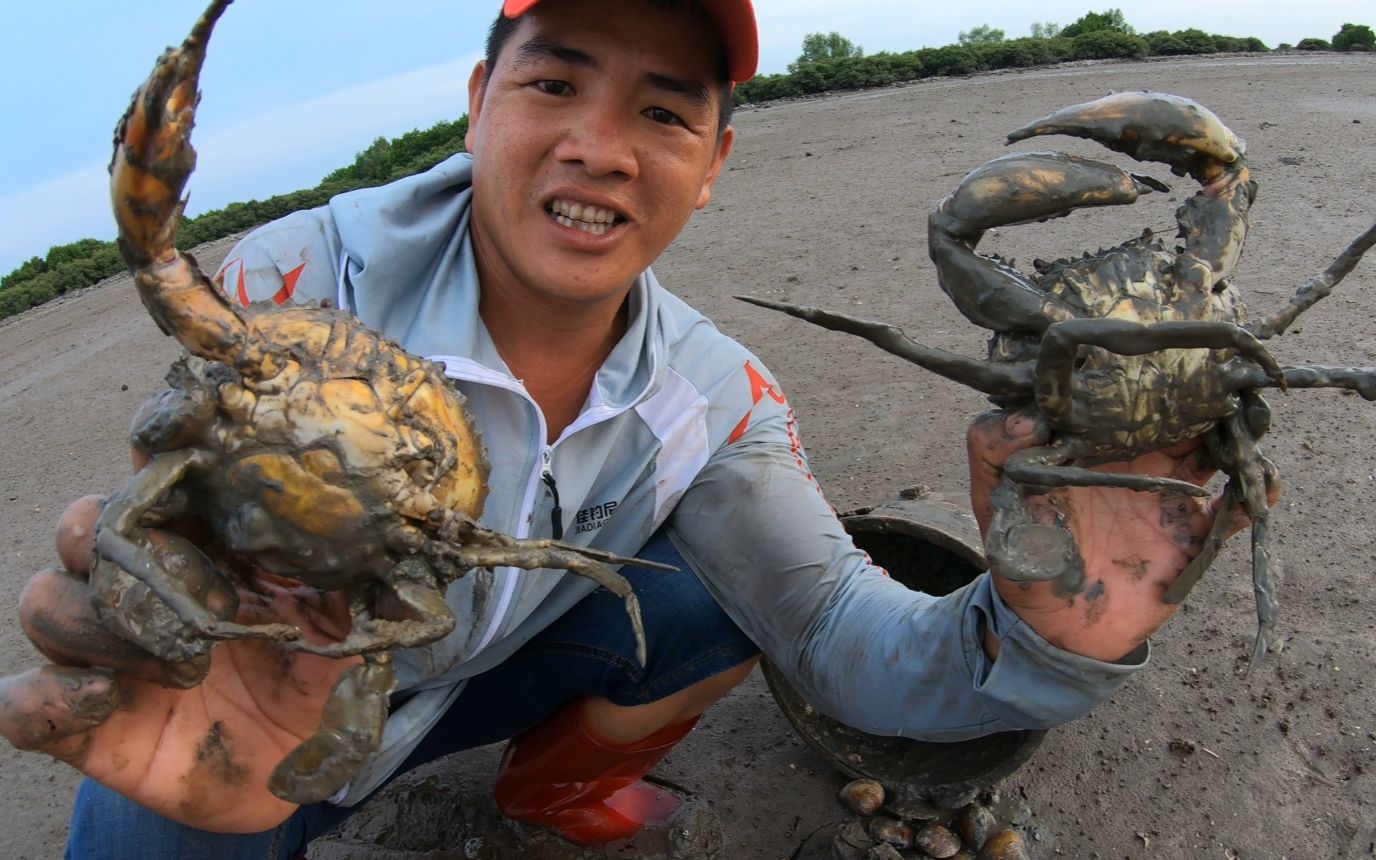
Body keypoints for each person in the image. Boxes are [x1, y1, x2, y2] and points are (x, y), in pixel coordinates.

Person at [0, 1, 1258, 858]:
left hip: (464, 674)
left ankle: (550, 780)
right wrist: (156, 577)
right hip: (252, 696)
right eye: (553, 82)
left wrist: (1040, 636)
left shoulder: (712, 395)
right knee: (170, 774)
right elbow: (176, 471)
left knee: (722, 596)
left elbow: (834, 632)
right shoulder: (299, 277)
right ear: (480, 95)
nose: (599, 147)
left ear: (713, 159)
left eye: (663, 111)